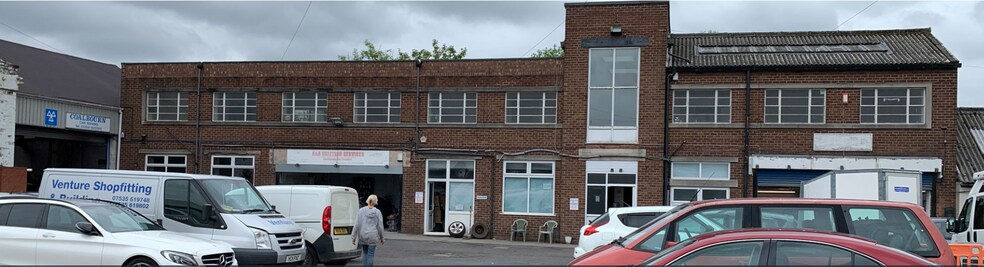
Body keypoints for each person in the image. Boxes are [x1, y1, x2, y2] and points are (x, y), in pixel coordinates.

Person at [352, 194, 384, 266]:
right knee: (371, 255)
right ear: (375, 201)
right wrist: (382, 237)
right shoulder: (377, 212)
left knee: (365, 253)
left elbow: (356, 224)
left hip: (363, 235)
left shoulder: (361, 211)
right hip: (373, 236)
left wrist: (353, 237)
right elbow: (380, 227)